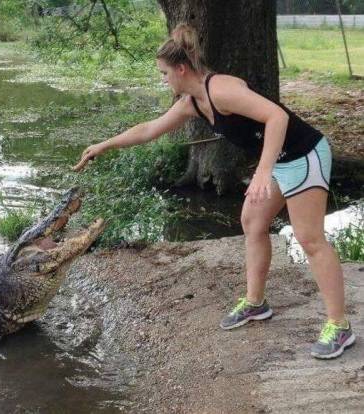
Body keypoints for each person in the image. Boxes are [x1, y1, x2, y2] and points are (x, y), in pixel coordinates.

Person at [72, 23, 355, 359]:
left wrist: (263, 171)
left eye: (164, 74)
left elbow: (276, 117)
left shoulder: (220, 89)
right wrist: (102, 145)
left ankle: (339, 326)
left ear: (181, 69)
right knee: (252, 222)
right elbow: (149, 130)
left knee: (310, 239)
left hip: (305, 154)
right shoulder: (193, 102)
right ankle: (255, 303)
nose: (163, 80)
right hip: (280, 160)